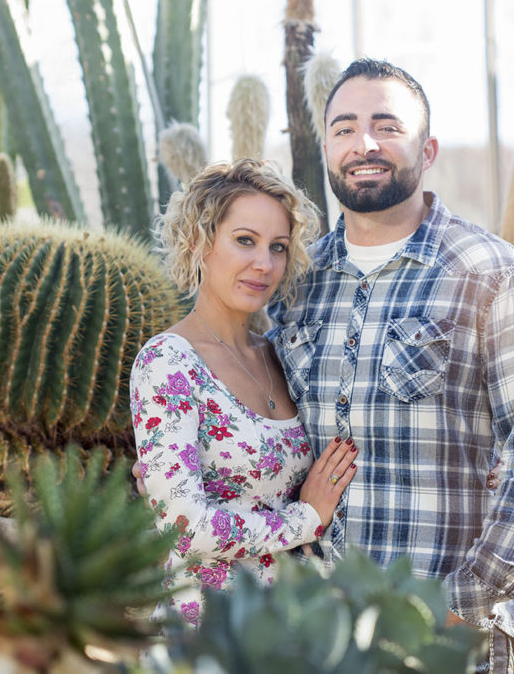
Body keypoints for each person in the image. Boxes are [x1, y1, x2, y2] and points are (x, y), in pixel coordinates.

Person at [263, 58, 514, 673]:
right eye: (345, 128)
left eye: (387, 125)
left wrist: (462, 604)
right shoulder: (295, 284)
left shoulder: (493, 275)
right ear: (326, 147)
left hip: (438, 637)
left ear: (427, 148)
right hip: (313, 633)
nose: (365, 144)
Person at [129, 159, 358, 628]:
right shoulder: (169, 361)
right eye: (245, 241)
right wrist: (305, 518)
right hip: (208, 633)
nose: (264, 264)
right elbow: (185, 527)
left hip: (288, 629)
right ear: (199, 242)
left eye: (277, 247)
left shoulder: (279, 355)